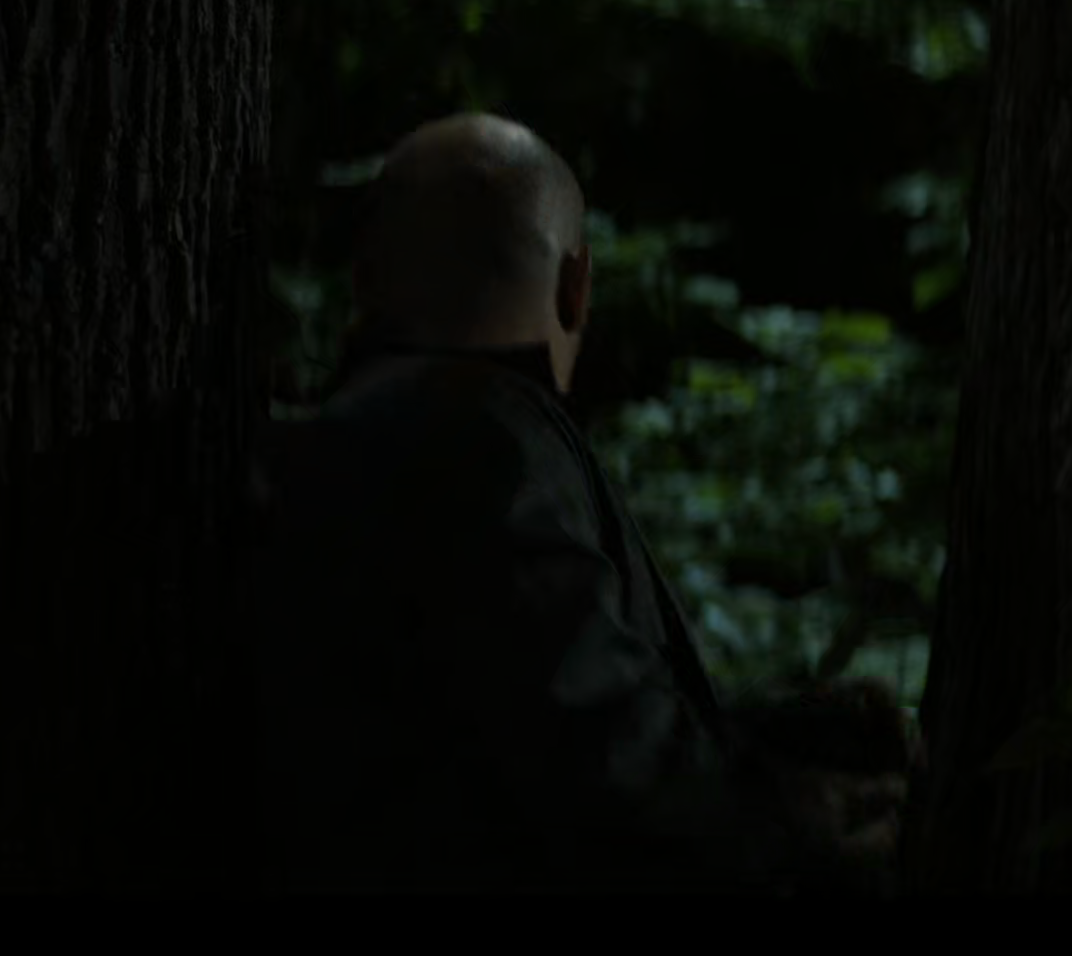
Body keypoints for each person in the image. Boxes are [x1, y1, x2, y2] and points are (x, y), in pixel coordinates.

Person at [250, 114, 916, 894]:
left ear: (362, 279)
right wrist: (801, 819)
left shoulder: (310, 453)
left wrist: (780, 736)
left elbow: (493, 715)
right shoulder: (481, 443)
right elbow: (602, 763)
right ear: (575, 287)